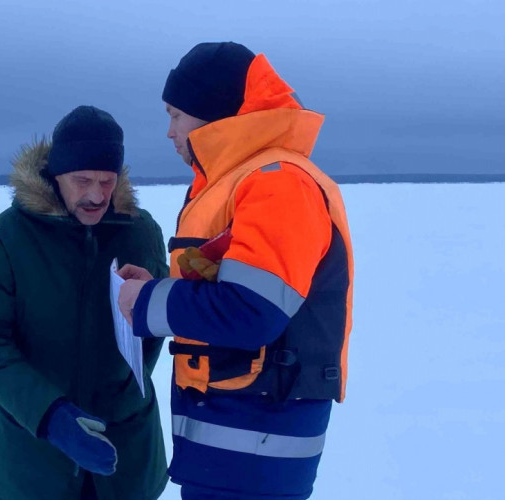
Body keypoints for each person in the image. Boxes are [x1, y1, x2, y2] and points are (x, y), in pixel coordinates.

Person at [118, 42, 355, 499]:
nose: (168, 131)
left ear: (211, 114)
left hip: (259, 448)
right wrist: (158, 291)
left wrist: (147, 304)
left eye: (175, 115)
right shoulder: (239, 183)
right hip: (231, 443)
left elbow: (252, 311)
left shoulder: (278, 183)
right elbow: (227, 286)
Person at [0, 106, 169, 500]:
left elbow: (155, 329)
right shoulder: (8, 236)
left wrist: (157, 297)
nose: (96, 195)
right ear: (55, 177)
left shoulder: (141, 232)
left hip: (125, 454)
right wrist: (48, 414)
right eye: (83, 180)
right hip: (31, 456)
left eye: (107, 181)